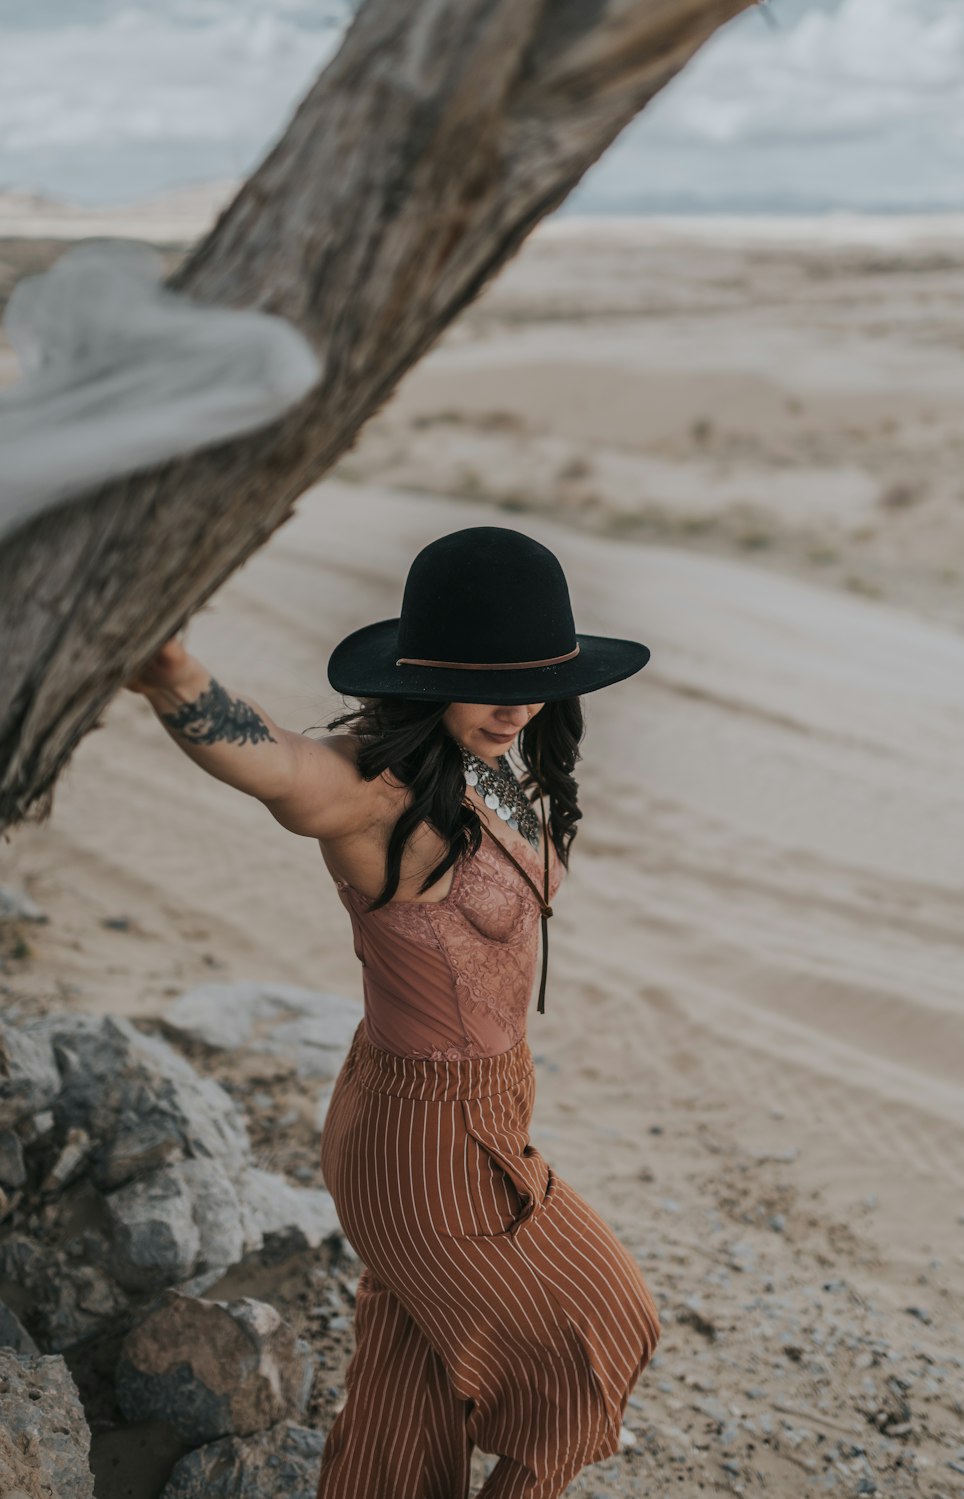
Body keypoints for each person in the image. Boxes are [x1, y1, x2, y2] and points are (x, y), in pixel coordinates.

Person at [126, 524, 661, 1499]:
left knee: (407, 1381)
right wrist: (169, 672)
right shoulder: (371, 791)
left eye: (537, 675)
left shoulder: (499, 758)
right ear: (427, 674)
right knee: (606, 1325)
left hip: (484, 1112)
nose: (518, 701)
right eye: (490, 677)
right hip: (420, 1137)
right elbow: (275, 765)